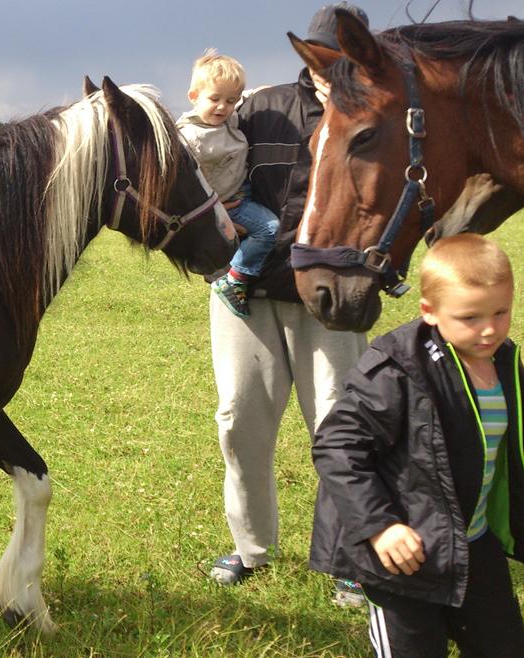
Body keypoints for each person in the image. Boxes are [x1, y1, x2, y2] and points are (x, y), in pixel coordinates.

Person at [205, 2, 371, 608]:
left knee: (340, 425)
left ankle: (349, 560)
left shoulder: (376, 115)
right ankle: (251, 548)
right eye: (321, 58)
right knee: (239, 421)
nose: (330, 70)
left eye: (344, 59)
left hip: (331, 297)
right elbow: (206, 166)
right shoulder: (261, 107)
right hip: (247, 295)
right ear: (307, 56)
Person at [310, 234, 524, 657]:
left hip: (474, 544)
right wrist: (380, 526)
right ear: (429, 311)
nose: (489, 329)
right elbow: (337, 446)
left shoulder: (504, 361)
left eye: (501, 312)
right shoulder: (398, 368)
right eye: (469, 317)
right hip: (403, 558)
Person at [177, 50, 279, 318]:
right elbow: (182, 183)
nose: (223, 107)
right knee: (270, 229)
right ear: (193, 96)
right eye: (215, 99)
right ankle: (235, 279)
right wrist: (214, 208)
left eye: (230, 101)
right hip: (227, 204)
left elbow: (245, 97)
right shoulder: (189, 138)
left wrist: (264, 92)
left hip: (241, 192)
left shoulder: (228, 118)